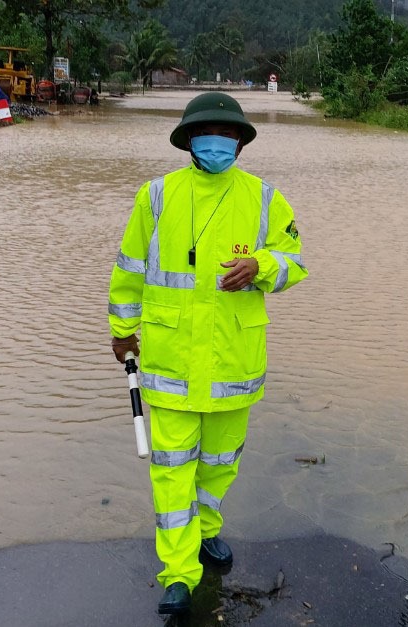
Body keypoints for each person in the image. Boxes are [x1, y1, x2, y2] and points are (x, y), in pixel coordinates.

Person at [108, 92, 308, 614]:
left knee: (219, 464)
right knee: (172, 467)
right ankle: (178, 572)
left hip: (233, 364)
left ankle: (206, 531)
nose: (217, 142)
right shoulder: (155, 197)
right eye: (206, 133)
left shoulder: (265, 198)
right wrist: (121, 329)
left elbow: (295, 262)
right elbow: (129, 269)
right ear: (189, 140)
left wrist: (262, 266)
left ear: (240, 141)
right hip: (171, 362)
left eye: (227, 134)